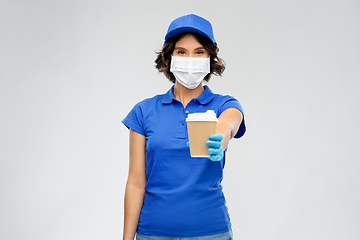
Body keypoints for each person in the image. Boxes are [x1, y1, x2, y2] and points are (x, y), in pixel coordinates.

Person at [122, 14, 246, 240]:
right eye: (182, 52)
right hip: (152, 233)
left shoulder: (224, 104)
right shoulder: (143, 112)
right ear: (169, 57)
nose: (190, 59)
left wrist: (221, 134)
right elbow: (136, 183)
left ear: (210, 58)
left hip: (212, 232)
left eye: (199, 52)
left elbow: (230, 121)